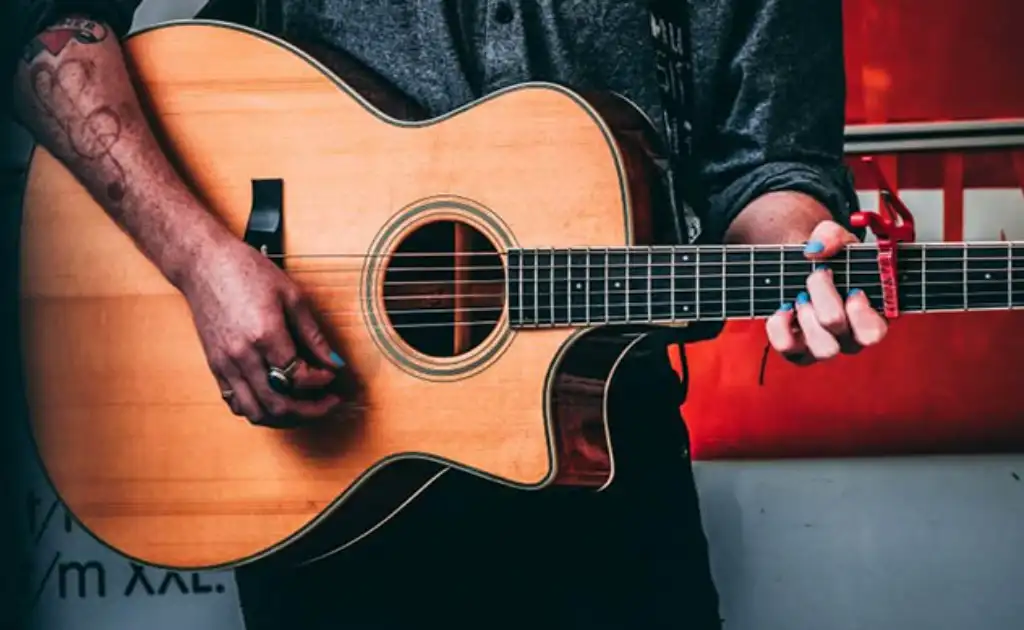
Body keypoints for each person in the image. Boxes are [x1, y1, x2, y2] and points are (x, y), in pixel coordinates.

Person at [3, 1, 889, 628]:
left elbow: (770, 162)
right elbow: (41, 29)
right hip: (325, 463)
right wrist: (201, 260)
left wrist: (798, 257)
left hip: (602, 464)